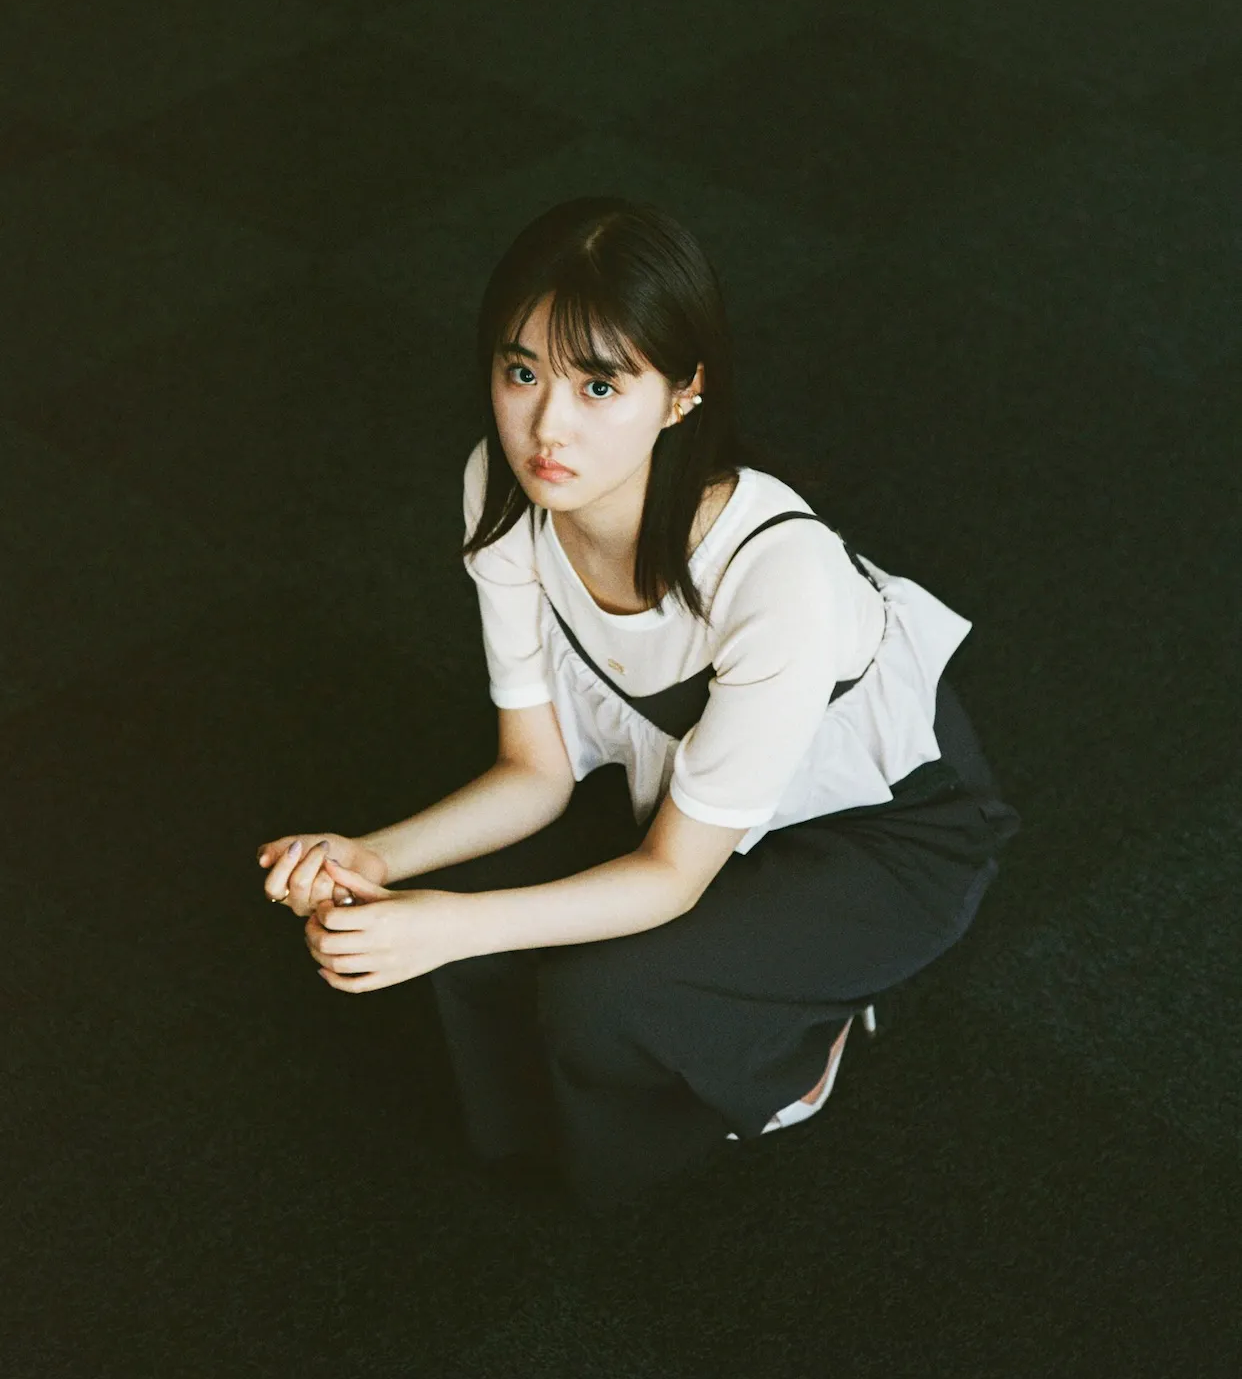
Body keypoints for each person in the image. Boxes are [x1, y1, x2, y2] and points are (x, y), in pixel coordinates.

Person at [258, 196, 1022, 1214]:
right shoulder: (505, 490)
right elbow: (535, 769)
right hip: (695, 796)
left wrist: (452, 926)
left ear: (681, 392)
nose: (547, 427)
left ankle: (800, 1041)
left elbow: (668, 874)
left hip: (876, 831)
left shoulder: (775, 575)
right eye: (521, 371)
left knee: (599, 996)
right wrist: (376, 855)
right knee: (475, 914)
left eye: (599, 384)